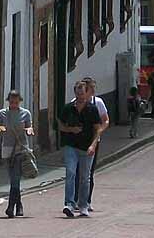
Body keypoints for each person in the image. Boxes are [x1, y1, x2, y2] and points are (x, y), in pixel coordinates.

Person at [56, 81, 101, 218]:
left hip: (86, 147)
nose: (80, 95)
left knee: (85, 177)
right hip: (71, 146)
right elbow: (60, 125)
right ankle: (69, 204)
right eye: (78, 92)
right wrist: (70, 129)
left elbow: (97, 129)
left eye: (82, 92)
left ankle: (83, 205)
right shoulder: (68, 108)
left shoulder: (92, 109)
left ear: (86, 93)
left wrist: (93, 145)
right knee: (70, 173)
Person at [0, 89, 34, 218]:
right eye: (11, 102)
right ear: (8, 102)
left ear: (20, 101)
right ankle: (19, 205)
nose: (14, 104)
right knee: (14, 179)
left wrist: (28, 130)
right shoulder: (2, 114)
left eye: (16, 102)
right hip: (7, 149)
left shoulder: (26, 113)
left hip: (21, 149)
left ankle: (10, 207)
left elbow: (30, 128)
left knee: (15, 177)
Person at [80, 76, 111, 207]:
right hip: (78, 141)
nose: (93, 90)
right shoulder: (75, 103)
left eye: (93, 88)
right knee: (76, 172)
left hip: (93, 141)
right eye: (90, 88)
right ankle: (75, 199)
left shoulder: (97, 102)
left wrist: (99, 132)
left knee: (89, 172)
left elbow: (106, 120)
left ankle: (87, 200)